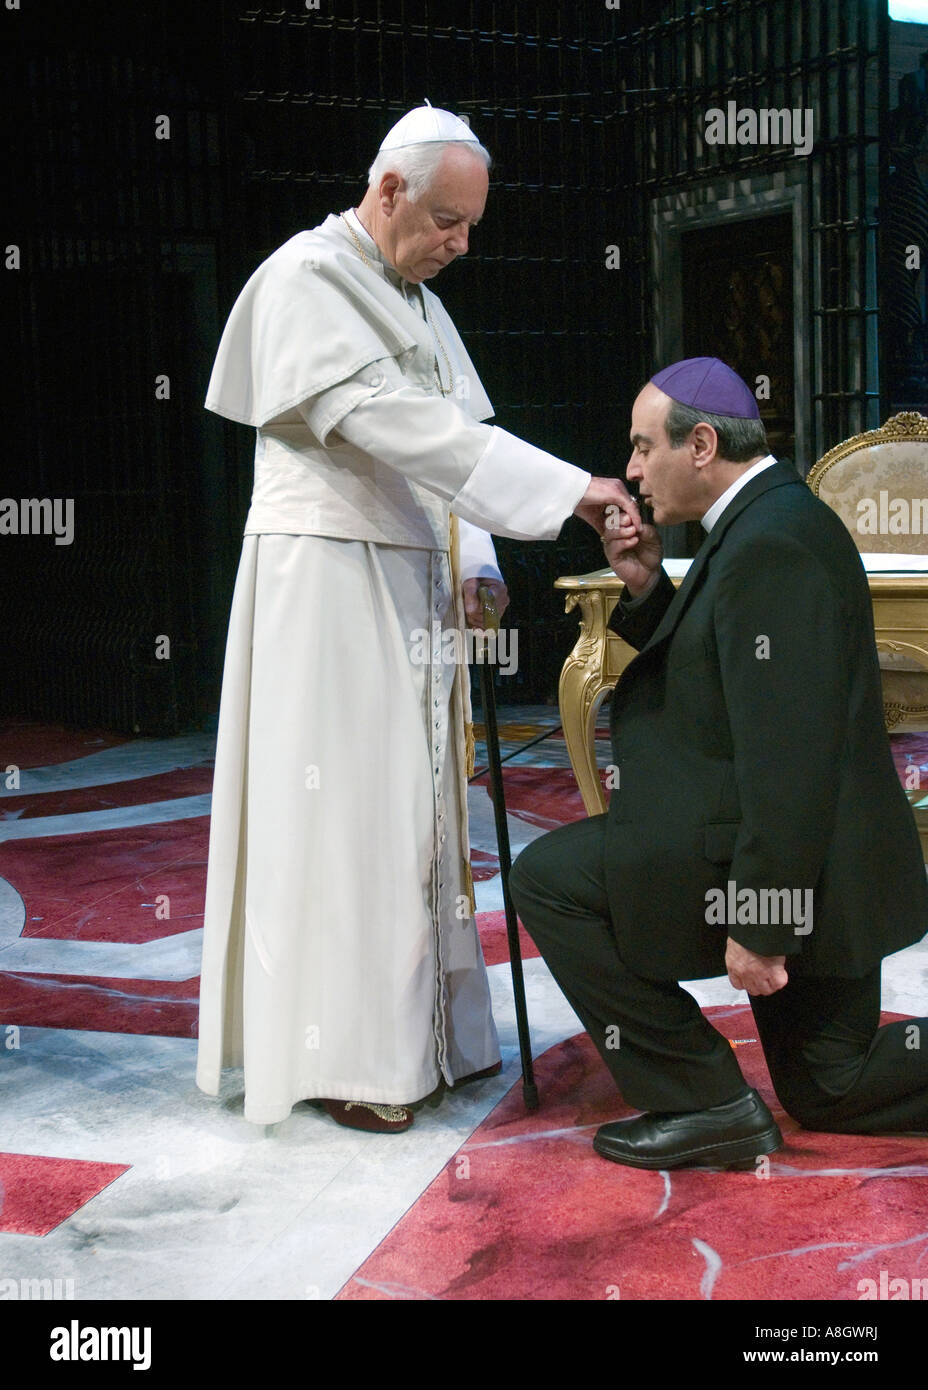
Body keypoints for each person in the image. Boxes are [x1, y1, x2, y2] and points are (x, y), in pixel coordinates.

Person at [195, 103, 640, 1132]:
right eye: (446, 220)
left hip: (410, 582)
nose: (459, 244)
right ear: (388, 188)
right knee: (348, 812)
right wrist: (572, 489)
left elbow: (456, 433)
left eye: (471, 225)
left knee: (415, 808)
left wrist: (478, 557)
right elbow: (396, 427)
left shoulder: (414, 295)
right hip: (328, 580)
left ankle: (431, 1038)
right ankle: (354, 1060)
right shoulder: (308, 279)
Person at [510, 356, 928, 1169]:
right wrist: (642, 590)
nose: (629, 471)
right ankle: (717, 1103)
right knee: (830, 1087)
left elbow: (790, 758)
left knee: (549, 879)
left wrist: (762, 925)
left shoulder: (772, 543)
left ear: (701, 443)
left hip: (785, 869)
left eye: (641, 447)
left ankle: (704, 1101)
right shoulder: (764, 520)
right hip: (809, 864)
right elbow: (722, 673)